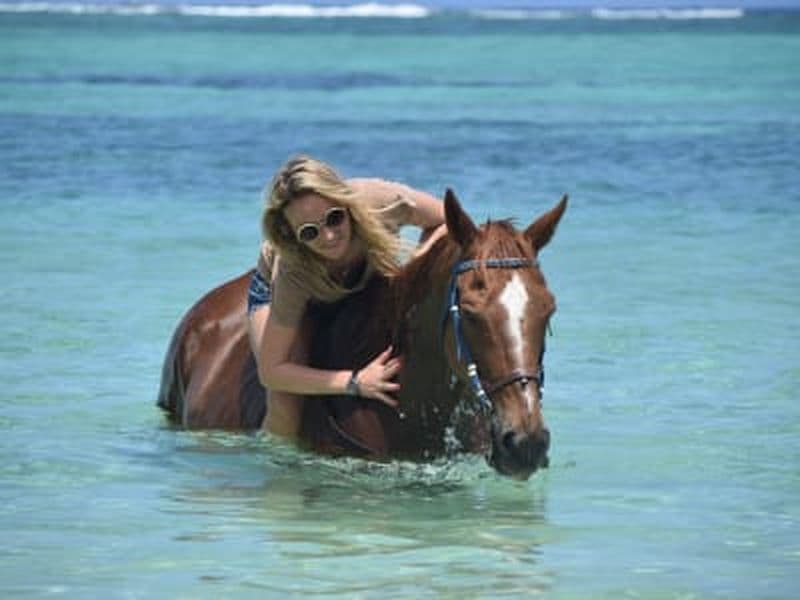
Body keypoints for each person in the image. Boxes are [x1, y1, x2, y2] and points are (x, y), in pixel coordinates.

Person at [247, 155, 447, 439]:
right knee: (284, 402)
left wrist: (416, 266)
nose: (328, 237)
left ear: (346, 203)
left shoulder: (380, 201)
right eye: (309, 232)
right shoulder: (293, 269)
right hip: (280, 292)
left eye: (334, 218)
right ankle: (281, 479)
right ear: (292, 236)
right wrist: (354, 382)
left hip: (362, 277)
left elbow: (449, 220)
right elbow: (272, 371)